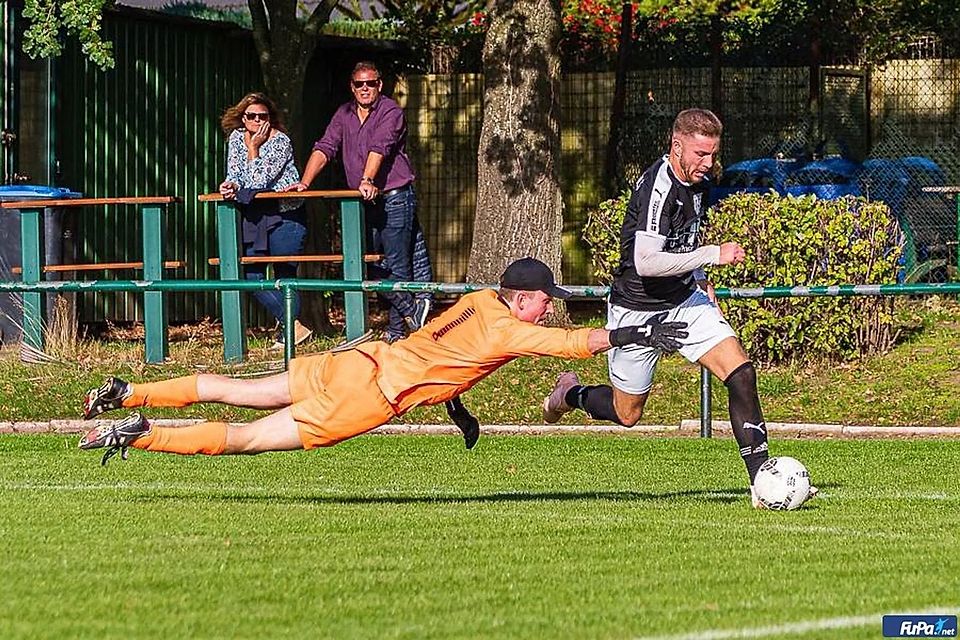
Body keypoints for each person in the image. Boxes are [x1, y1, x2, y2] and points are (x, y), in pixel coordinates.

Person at [77, 258, 688, 465]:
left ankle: (130, 393)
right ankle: (142, 435)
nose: (546, 312)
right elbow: (573, 346)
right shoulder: (509, 330)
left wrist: (456, 406)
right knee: (247, 438)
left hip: (357, 358)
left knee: (237, 388)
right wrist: (644, 327)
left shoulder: (477, 300)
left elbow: (441, 355)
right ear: (523, 296)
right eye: (543, 302)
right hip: (368, 396)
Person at [539, 108, 816, 508]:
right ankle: (570, 393)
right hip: (637, 310)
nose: (709, 163)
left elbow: (683, 240)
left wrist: (701, 275)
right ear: (676, 146)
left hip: (684, 301)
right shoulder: (658, 188)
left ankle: (762, 482)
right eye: (701, 154)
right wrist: (712, 255)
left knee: (740, 372)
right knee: (628, 413)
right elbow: (646, 262)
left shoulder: (699, 181)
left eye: (713, 154)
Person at [285, 61, 432, 344]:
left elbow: (381, 147)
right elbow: (325, 146)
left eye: (371, 83)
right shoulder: (344, 113)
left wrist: (367, 179)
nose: (365, 89)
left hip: (394, 196)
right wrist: (304, 183)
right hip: (364, 201)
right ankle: (413, 311)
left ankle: (397, 331)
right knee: (368, 263)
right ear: (352, 87)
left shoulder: (391, 111)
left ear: (380, 85)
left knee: (397, 265)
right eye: (359, 84)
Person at [218, 92, 312, 350]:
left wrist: (254, 149)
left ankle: (287, 334)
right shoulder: (236, 139)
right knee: (251, 274)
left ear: (271, 118)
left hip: (285, 213)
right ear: (242, 118)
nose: (258, 121)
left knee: (285, 272)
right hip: (255, 212)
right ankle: (292, 325)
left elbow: (259, 180)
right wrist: (230, 185)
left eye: (263, 116)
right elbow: (237, 175)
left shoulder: (281, 142)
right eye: (252, 116)